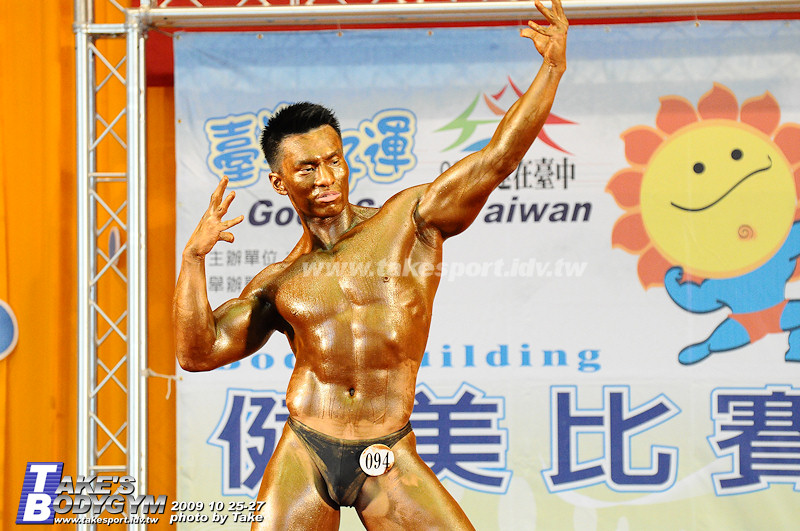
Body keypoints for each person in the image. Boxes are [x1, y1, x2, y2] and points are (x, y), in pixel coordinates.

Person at [174, 1, 567, 528]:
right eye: (307, 168)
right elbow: (197, 354)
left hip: (387, 449)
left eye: (334, 160)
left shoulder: (408, 221)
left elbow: (497, 158)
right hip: (306, 446)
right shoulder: (279, 282)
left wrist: (551, 69)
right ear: (279, 182)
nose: (326, 178)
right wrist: (193, 259)